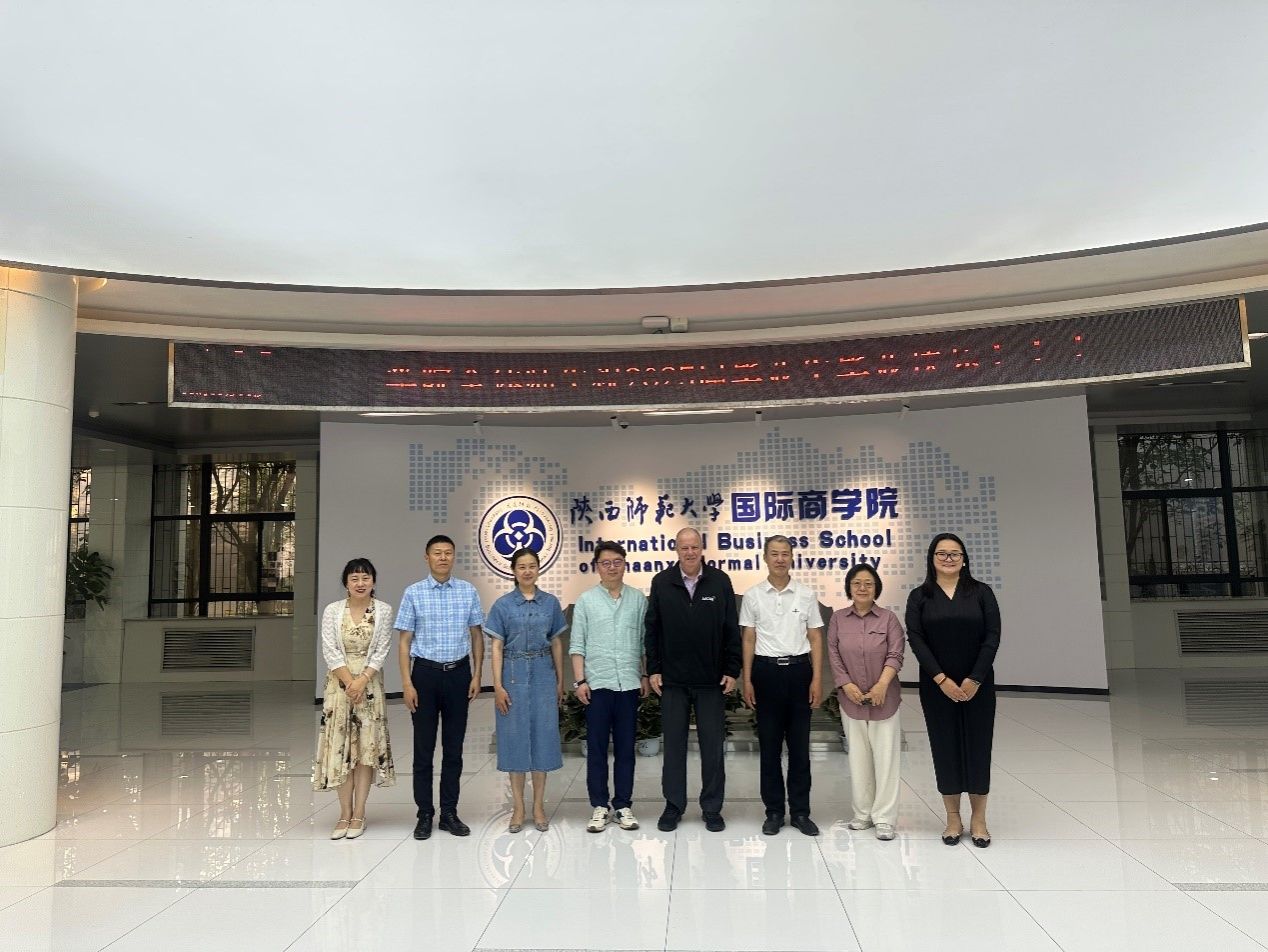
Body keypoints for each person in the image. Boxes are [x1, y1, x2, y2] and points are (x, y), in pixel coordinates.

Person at [905, 532, 1001, 848]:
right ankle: (952, 818)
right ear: (932, 559)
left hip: (978, 685)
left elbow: (992, 636)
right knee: (944, 747)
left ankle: (979, 819)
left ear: (964, 559)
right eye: (942, 553)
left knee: (978, 748)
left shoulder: (981, 593)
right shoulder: (920, 596)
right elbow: (916, 639)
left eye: (954, 553)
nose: (948, 558)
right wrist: (941, 679)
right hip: (937, 687)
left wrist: (975, 678)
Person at [645, 526, 741, 833]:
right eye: (684, 547)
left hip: (711, 680)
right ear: (676, 550)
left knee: (712, 748)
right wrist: (654, 668)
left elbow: (731, 628)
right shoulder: (662, 582)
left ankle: (712, 808)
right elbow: (652, 630)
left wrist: (732, 669)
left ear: (702, 548)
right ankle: (673, 806)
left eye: (694, 547)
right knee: (673, 747)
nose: (690, 552)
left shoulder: (719, 581)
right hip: (672, 681)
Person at [395, 534, 485, 840]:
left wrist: (477, 675)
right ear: (427, 557)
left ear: (454, 556)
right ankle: (424, 814)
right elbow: (404, 642)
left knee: (454, 749)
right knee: (423, 749)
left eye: (448, 552)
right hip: (425, 675)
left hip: (459, 674)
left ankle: (449, 813)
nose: (443, 557)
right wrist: (406, 682)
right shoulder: (413, 593)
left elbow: (476, 636)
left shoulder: (468, 591)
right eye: (437, 553)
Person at [740, 535, 824, 837]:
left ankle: (801, 812)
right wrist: (747, 679)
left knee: (800, 749)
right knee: (770, 748)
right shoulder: (753, 596)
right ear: (765, 558)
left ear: (792, 557)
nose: (779, 559)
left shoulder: (806, 594)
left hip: (800, 672)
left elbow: (815, 637)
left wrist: (817, 678)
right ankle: (774, 811)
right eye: (774, 554)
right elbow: (748, 639)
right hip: (766, 673)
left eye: (785, 554)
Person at [312, 557, 396, 839]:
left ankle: (359, 813)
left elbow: (381, 650)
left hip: (369, 687)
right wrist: (350, 682)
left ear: (374, 581)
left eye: (366, 578)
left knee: (365, 751)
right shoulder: (332, 610)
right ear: (346, 583)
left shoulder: (383, 611)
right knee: (342, 749)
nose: (361, 583)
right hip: (339, 687)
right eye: (354, 578)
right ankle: (344, 813)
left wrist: (362, 681)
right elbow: (330, 649)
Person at [485, 548, 568, 832]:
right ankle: (519, 808)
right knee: (515, 738)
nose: (527, 571)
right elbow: (497, 647)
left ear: (539, 569)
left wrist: (560, 680)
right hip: (513, 675)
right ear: (513, 571)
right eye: (521, 566)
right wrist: (497, 685)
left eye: (532, 566)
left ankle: (539, 806)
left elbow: (556, 642)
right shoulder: (503, 605)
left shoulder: (550, 603)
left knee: (543, 738)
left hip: (544, 674)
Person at [570, 541, 649, 833]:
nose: (612, 567)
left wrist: (644, 675)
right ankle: (600, 806)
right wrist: (580, 681)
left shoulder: (638, 600)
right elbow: (577, 645)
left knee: (627, 749)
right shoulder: (586, 601)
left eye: (617, 561)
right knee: (597, 749)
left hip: (628, 684)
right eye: (606, 563)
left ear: (625, 564)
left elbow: (644, 643)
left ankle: (623, 805)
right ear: (597, 567)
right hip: (597, 685)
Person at [827, 564, 905, 841]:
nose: (862, 588)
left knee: (886, 759)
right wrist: (846, 685)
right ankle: (862, 813)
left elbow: (896, 654)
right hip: (851, 700)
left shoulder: (888, 619)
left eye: (868, 583)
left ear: (876, 589)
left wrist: (882, 685)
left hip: (885, 699)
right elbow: (833, 654)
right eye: (857, 583)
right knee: (858, 758)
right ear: (849, 588)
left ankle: (884, 818)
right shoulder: (838, 619)